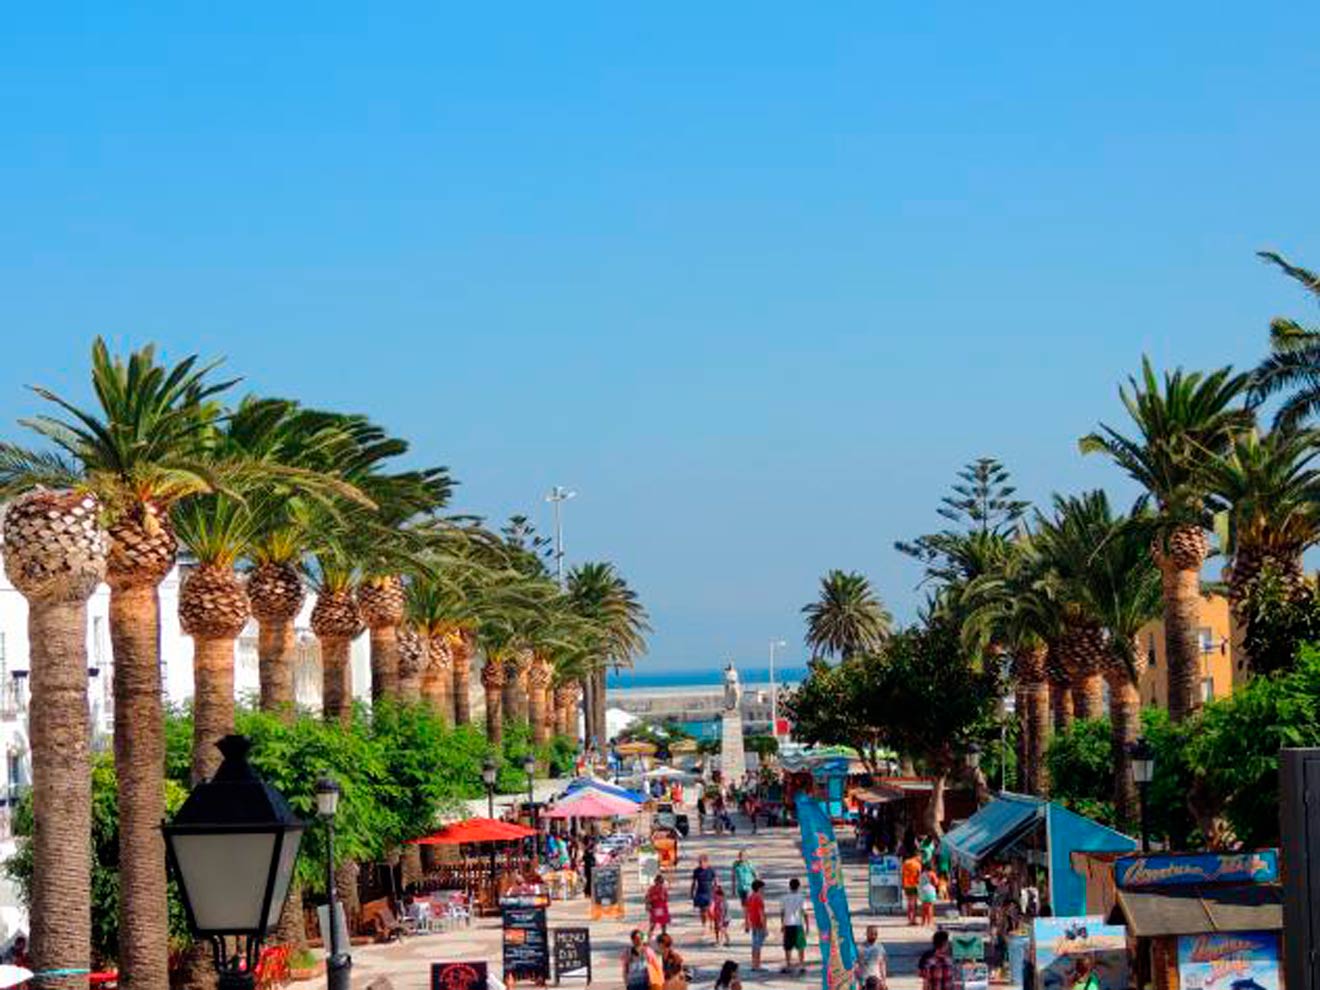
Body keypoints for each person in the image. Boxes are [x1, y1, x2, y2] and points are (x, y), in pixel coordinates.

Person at [780, 877, 809, 974]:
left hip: (787, 924)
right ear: (799, 886)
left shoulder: (784, 898)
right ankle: (801, 965)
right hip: (798, 924)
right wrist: (807, 926)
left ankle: (788, 965)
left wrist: (782, 924)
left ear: (789, 886)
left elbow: (782, 913)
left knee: (788, 946)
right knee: (801, 946)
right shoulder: (801, 897)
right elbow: (804, 912)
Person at [744, 879, 768, 971]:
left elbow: (746, 911)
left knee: (754, 945)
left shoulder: (750, 897)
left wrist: (747, 924)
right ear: (759, 888)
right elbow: (761, 913)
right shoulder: (759, 898)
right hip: (759, 924)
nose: (764, 890)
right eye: (763, 888)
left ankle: (754, 964)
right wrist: (765, 928)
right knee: (758, 946)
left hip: (753, 923)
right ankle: (757, 965)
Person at [690, 854, 717, 933]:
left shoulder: (711, 870)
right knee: (702, 912)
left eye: (702, 862)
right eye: (699, 862)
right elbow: (694, 882)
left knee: (710, 910)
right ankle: (704, 925)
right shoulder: (696, 871)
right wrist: (692, 892)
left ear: (706, 862)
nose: (700, 864)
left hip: (710, 892)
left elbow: (716, 881)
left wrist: (717, 891)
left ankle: (712, 922)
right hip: (700, 893)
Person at [902, 849, 923, 926]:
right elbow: (919, 876)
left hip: (907, 885)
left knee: (909, 903)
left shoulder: (906, 862)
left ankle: (909, 919)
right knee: (914, 904)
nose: (921, 858)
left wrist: (903, 884)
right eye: (921, 856)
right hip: (914, 885)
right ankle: (913, 920)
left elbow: (903, 874)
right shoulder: (917, 864)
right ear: (918, 855)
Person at [646, 873, 671, 938]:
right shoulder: (652, 889)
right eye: (658, 882)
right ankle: (647, 938)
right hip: (656, 908)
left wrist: (663, 897)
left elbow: (666, 898)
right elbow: (648, 898)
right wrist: (648, 904)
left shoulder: (663, 889)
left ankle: (664, 937)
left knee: (663, 924)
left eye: (661, 882)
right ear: (655, 881)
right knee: (653, 924)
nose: (659, 883)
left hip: (662, 907)